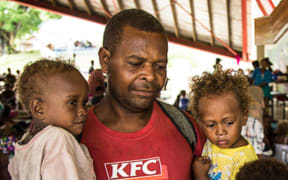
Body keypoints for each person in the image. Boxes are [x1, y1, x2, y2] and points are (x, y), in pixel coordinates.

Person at [81, 9, 206, 180]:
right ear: (105, 59)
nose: (150, 75)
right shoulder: (73, 136)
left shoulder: (186, 128)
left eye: (160, 66)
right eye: (135, 63)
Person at [8, 59, 96, 180]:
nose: (83, 111)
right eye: (72, 102)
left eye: (84, 102)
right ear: (39, 109)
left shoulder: (24, 143)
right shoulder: (58, 139)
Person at [189, 68, 258, 180]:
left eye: (229, 123)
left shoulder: (245, 160)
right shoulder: (210, 143)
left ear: (244, 117)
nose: (220, 132)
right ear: (200, 123)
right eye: (211, 125)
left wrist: (201, 176)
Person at [241, 77, 265, 156]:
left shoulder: (242, 91)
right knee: (257, 140)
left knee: (245, 137)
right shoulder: (259, 89)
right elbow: (263, 105)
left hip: (245, 116)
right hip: (256, 115)